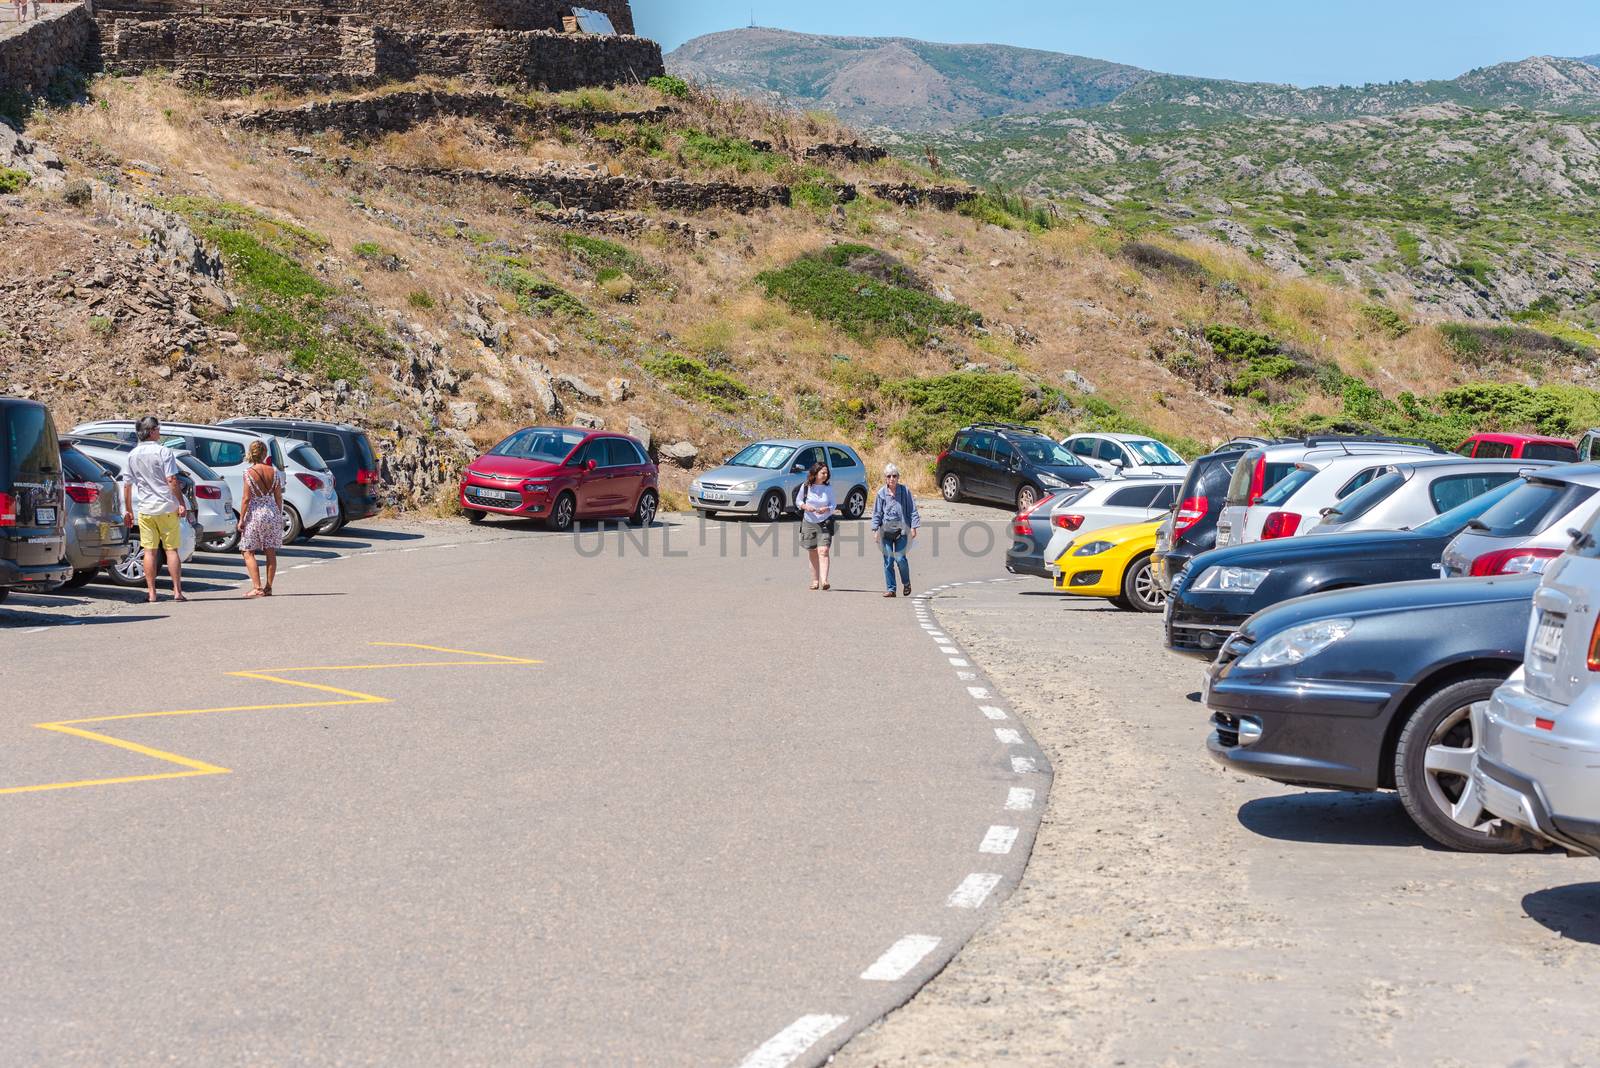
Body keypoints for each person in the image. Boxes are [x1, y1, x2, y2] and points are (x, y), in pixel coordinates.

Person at [121, 415, 189, 604]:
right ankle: (177, 591)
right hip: (166, 506)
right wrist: (181, 502)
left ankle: (152, 593)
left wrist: (128, 510)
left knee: (149, 551)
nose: (160, 432)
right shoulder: (164, 452)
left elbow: (127, 485)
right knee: (171, 550)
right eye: (158, 428)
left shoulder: (132, 455)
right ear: (151, 431)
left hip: (145, 508)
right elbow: (171, 480)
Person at [238, 440, 285, 598]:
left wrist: (241, 519)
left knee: (247, 550)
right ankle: (269, 587)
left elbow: (246, 498)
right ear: (265, 454)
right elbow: (278, 496)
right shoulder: (274, 471)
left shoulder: (249, 473)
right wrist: (278, 514)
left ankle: (257, 587)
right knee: (270, 551)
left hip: (256, 512)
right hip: (271, 511)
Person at [872, 464, 921, 598]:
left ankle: (906, 582)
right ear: (885, 478)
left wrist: (914, 527)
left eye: (894, 476)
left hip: (902, 531)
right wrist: (875, 530)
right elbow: (877, 513)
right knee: (888, 560)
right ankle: (891, 589)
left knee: (900, 559)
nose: (892, 479)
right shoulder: (881, 493)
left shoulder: (905, 491)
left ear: (898, 477)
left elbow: (912, 510)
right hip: (885, 532)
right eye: (889, 476)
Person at [797, 461, 837, 591]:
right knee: (813, 551)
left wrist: (826, 509)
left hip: (824, 521)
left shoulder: (828, 488)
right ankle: (815, 581)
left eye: (827, 473)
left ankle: (824, 580)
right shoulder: (806, 486)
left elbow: (833, 505)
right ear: (815, 473)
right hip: (809, 521)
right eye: (823, 472)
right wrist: (805, 506)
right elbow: (798, 501)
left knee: (823, 551)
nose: (825, 475)